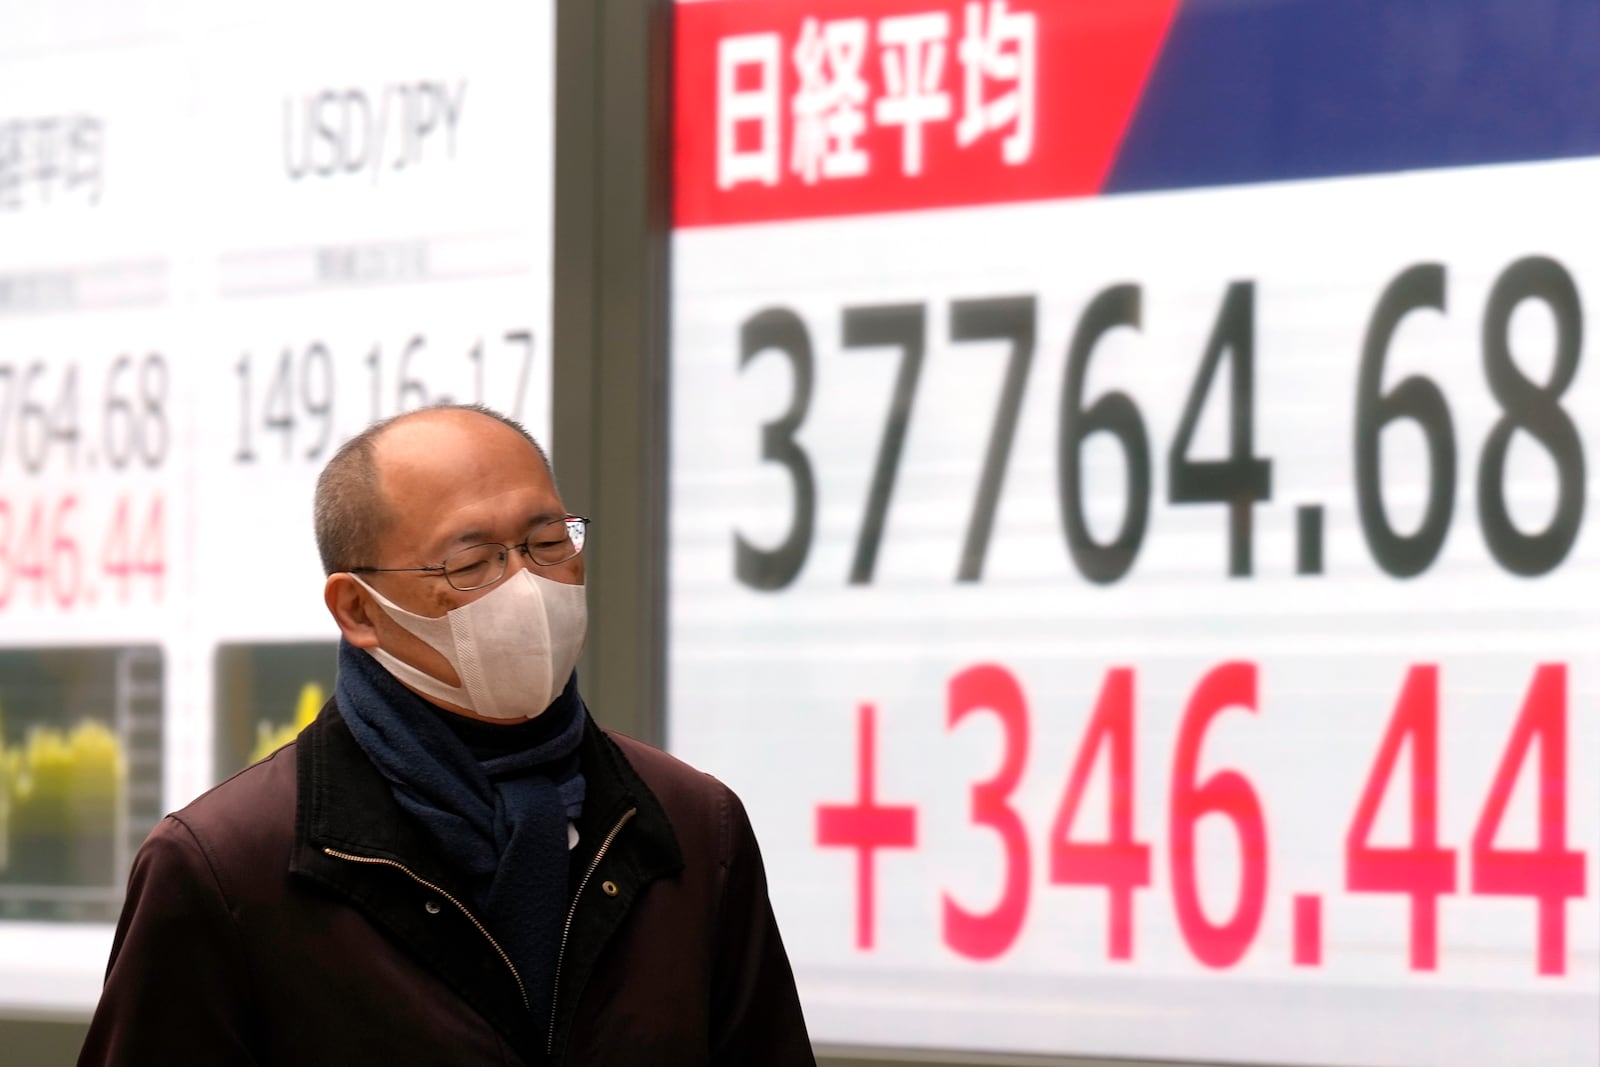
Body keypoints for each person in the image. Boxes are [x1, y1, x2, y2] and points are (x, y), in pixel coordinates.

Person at [79, 404, 814, 1065]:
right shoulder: (227, 869)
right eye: (471, 562)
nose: (526, 584)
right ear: (359, 611)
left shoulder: (691, 823)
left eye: (548, 541)